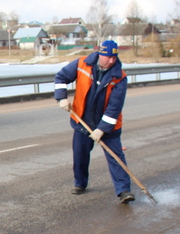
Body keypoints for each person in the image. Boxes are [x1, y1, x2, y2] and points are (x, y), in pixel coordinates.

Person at [54, 40, 135, 204]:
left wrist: (102, 129)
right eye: (108, 57)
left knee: (115, 157)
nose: (111, 61)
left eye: (114, 57)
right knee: (80, 154)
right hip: (83, 120)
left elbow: (114, 107)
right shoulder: (82, 64)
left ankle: (124, 190)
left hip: (108, 127)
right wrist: (61, 98)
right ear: (100, 54)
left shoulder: (119, 76)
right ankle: (80, 183)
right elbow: (61, 77)